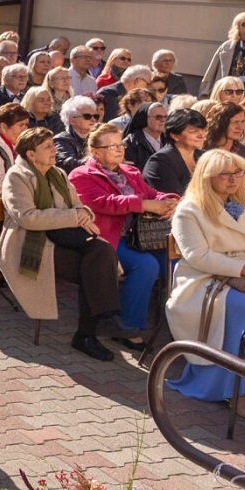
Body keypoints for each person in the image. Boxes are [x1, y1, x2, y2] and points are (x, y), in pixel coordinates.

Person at [0, 127, 141, 360]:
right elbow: (28, 218)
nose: (55, 150)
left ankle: (95, 328)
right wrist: (74, 217)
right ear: (31, 154)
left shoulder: (58, 174)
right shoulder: (17, 176)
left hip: (62, 238)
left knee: (98, 257)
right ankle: (92, 330)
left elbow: (79, 206)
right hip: (31, 244)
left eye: (53, 145)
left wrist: (82, 213)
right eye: (48, 147)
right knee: (96, 263)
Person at [166, 150, 245, 400]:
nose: (233, 179)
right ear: (206, 177)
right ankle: (238, 392)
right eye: (225, 174)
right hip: (202, 279)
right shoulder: (189, 210)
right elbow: (198, 257)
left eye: (238, 172)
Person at [70, 123, 178, 339]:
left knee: (174, 260)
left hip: (141, 237)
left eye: (120, 144)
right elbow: (103, 203)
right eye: (112, 146)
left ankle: (176, 320)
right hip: (107, 237)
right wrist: (144, 205)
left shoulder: (130, 171)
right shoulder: (81, 175)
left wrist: (168, 200)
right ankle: (127, 327)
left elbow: (150, 193)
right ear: (95, 152)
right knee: (146, 265)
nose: (119, 149)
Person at [200, 11, 245, 96]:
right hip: (231, 88)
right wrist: (205, 92)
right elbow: (212, 70)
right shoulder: (227, 46)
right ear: (237, 27)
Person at [144, 108, 208, 196]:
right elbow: (174, 197)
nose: (202, 135)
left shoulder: (205, 156)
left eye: (204, 130)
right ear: (174, 136)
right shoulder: (160, 161)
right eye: (193, 131)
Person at [53, 96, 100, 175]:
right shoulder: (61, 139)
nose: (93, 120)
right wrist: (93, 161)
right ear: (72, 121)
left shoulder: (98, 137)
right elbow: (65, 163)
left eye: (95, 116)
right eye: (87, 116)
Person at [123, 101, 168, 172]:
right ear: (144, 118)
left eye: (166, 117)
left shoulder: (170, 141)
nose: (163, 120)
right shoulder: (130, 144)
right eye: (158, 117)